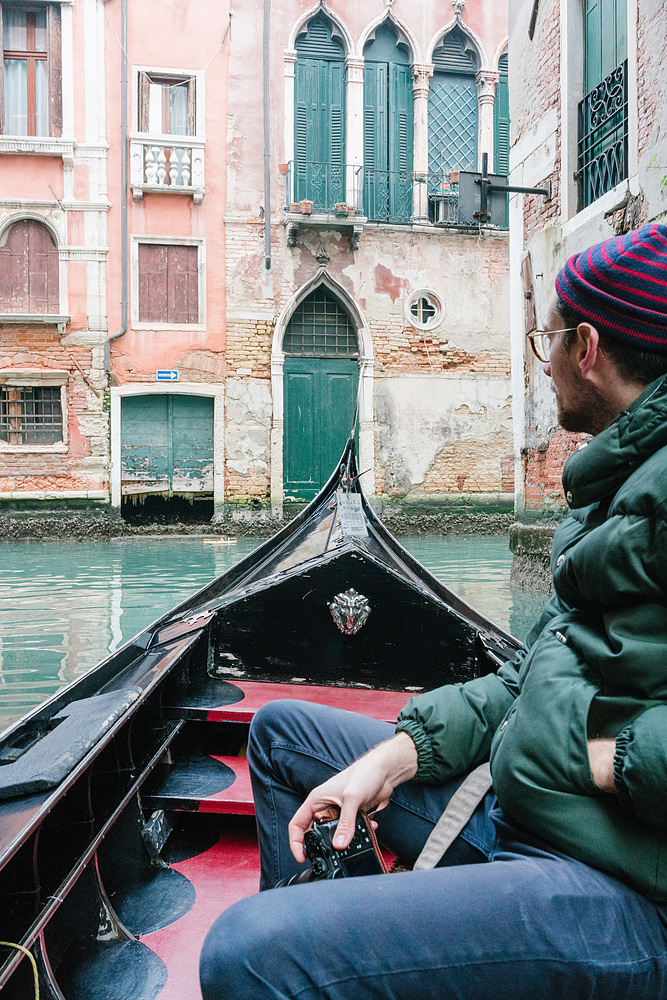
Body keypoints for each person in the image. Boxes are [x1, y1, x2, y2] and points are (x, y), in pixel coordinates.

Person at [200, 223, 667, 999]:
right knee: (284, 735)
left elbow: (566, 727)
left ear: (585, 347)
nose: (541, 362)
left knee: (244, 953)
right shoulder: (611, 483)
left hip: (618, 883)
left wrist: (597, 760)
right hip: (527, 813)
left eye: (543, 339)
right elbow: (529, 680)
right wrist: (393, 758)